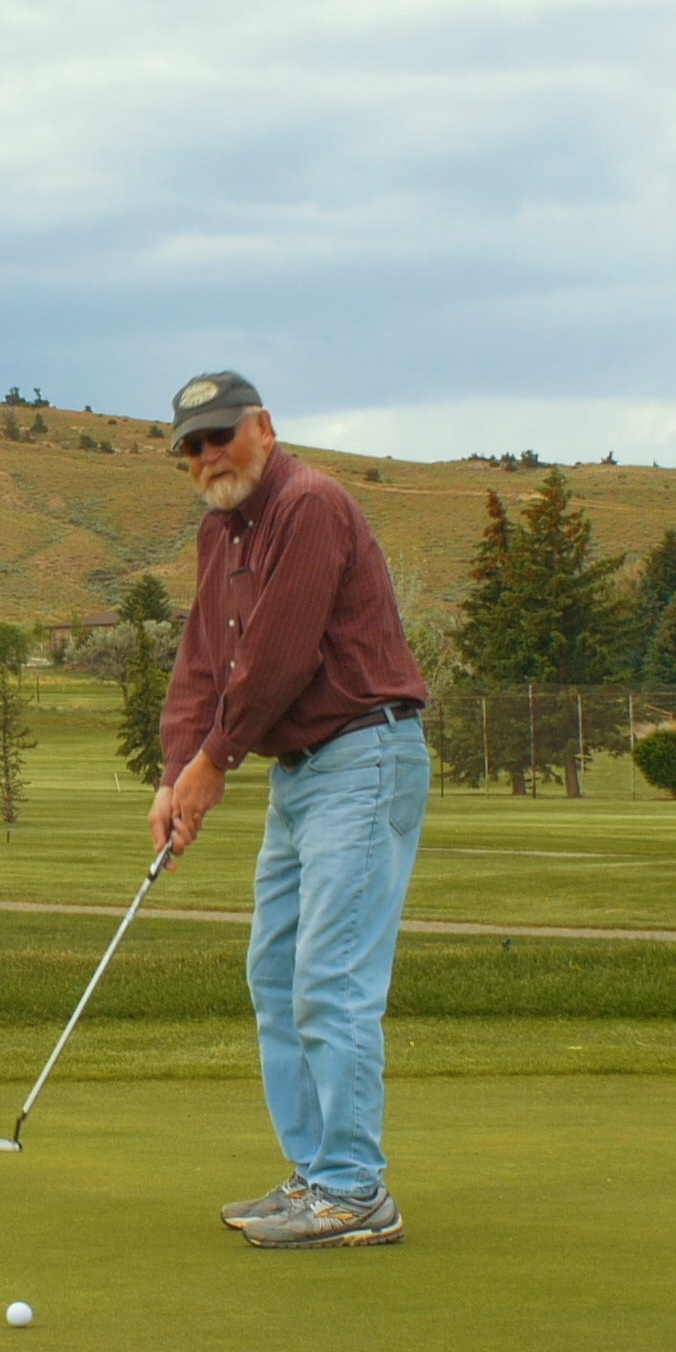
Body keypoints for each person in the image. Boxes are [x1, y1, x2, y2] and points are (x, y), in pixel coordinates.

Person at [146, 372, 431, 1248]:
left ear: (264, 427)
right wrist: (173, 773)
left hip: (364, 754)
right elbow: (204, 658)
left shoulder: (311, 506)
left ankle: (355, 1191)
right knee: (275, 976)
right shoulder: (218, 534)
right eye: (191, 446)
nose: (206, 457)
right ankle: (317, 1175)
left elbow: (277, 657)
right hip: (301, 775)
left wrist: (214, 762)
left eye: (220, 435)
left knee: (330, 980)